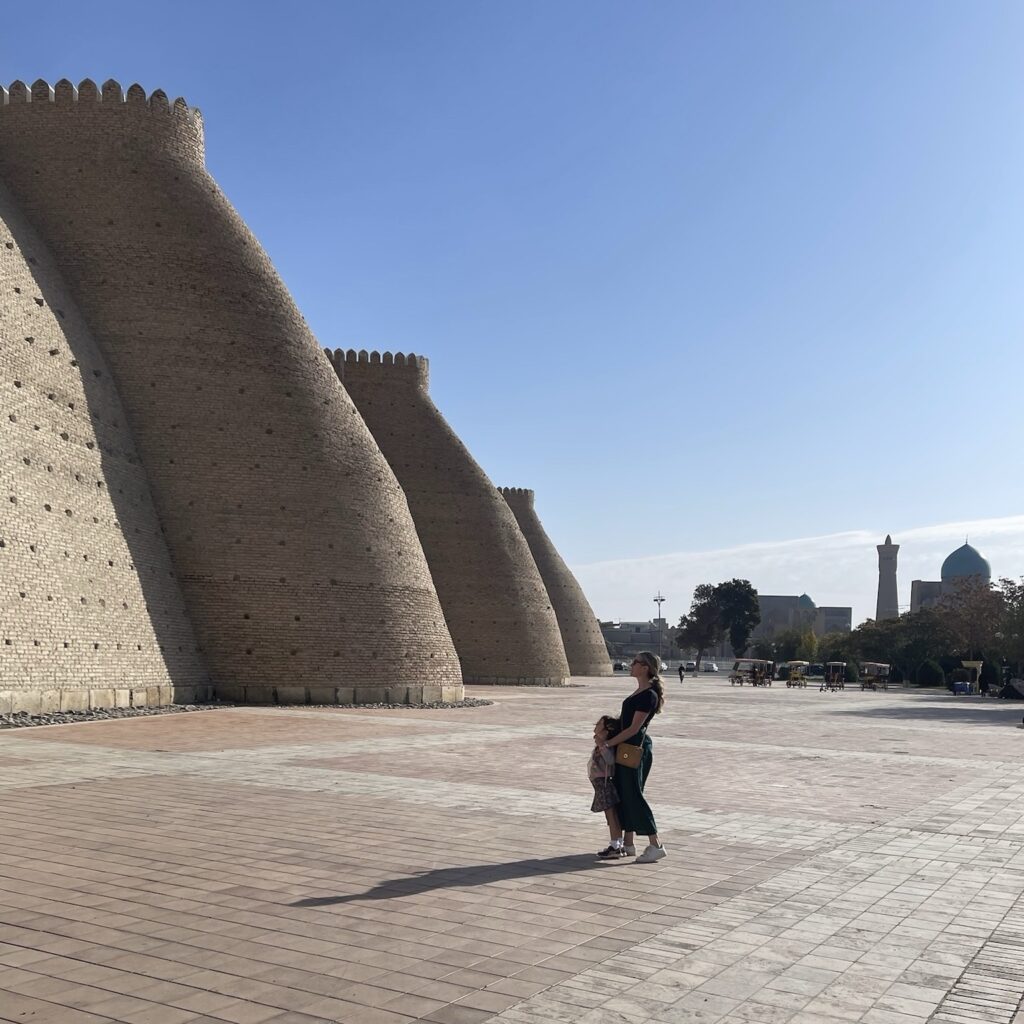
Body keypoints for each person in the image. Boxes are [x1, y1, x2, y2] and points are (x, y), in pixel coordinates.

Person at [601, 650, 666, 862]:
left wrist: (609, 743)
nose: (631, 665)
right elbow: (626, 722)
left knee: (633, 796)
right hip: (626, 748)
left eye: (635, 662)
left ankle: (656, 845)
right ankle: (628, 844)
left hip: (634, 750)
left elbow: (634, 729)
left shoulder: (649, 695)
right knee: (625, 794)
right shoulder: (640, 692)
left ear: (645, 668)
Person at [590, 715, 622, 859]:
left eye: (599, 724)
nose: (595, 726)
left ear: (606, 731)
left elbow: (610, 760)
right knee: (610, 817)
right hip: (600, 783)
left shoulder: (607, 744)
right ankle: (616, 844)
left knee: (611, 816)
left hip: (605, 783)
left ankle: (616, 845)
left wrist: (602, 745)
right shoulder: (600, 743)